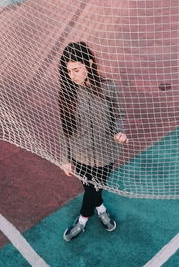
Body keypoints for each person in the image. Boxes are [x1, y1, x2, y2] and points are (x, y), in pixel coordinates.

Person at [58, 42, 128, 241]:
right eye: (69, 71)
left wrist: (119, 132)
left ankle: (81, 221)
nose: (73, 75)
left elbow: (118, 115)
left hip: (107, 153)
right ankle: (101, 209)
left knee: (94, 188)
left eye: (77, 69)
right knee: (91, 189)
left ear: (89, 63)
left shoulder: (109, 87)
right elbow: (66, 130)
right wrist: (65, 158)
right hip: (81, 156)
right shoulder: (66, 94)